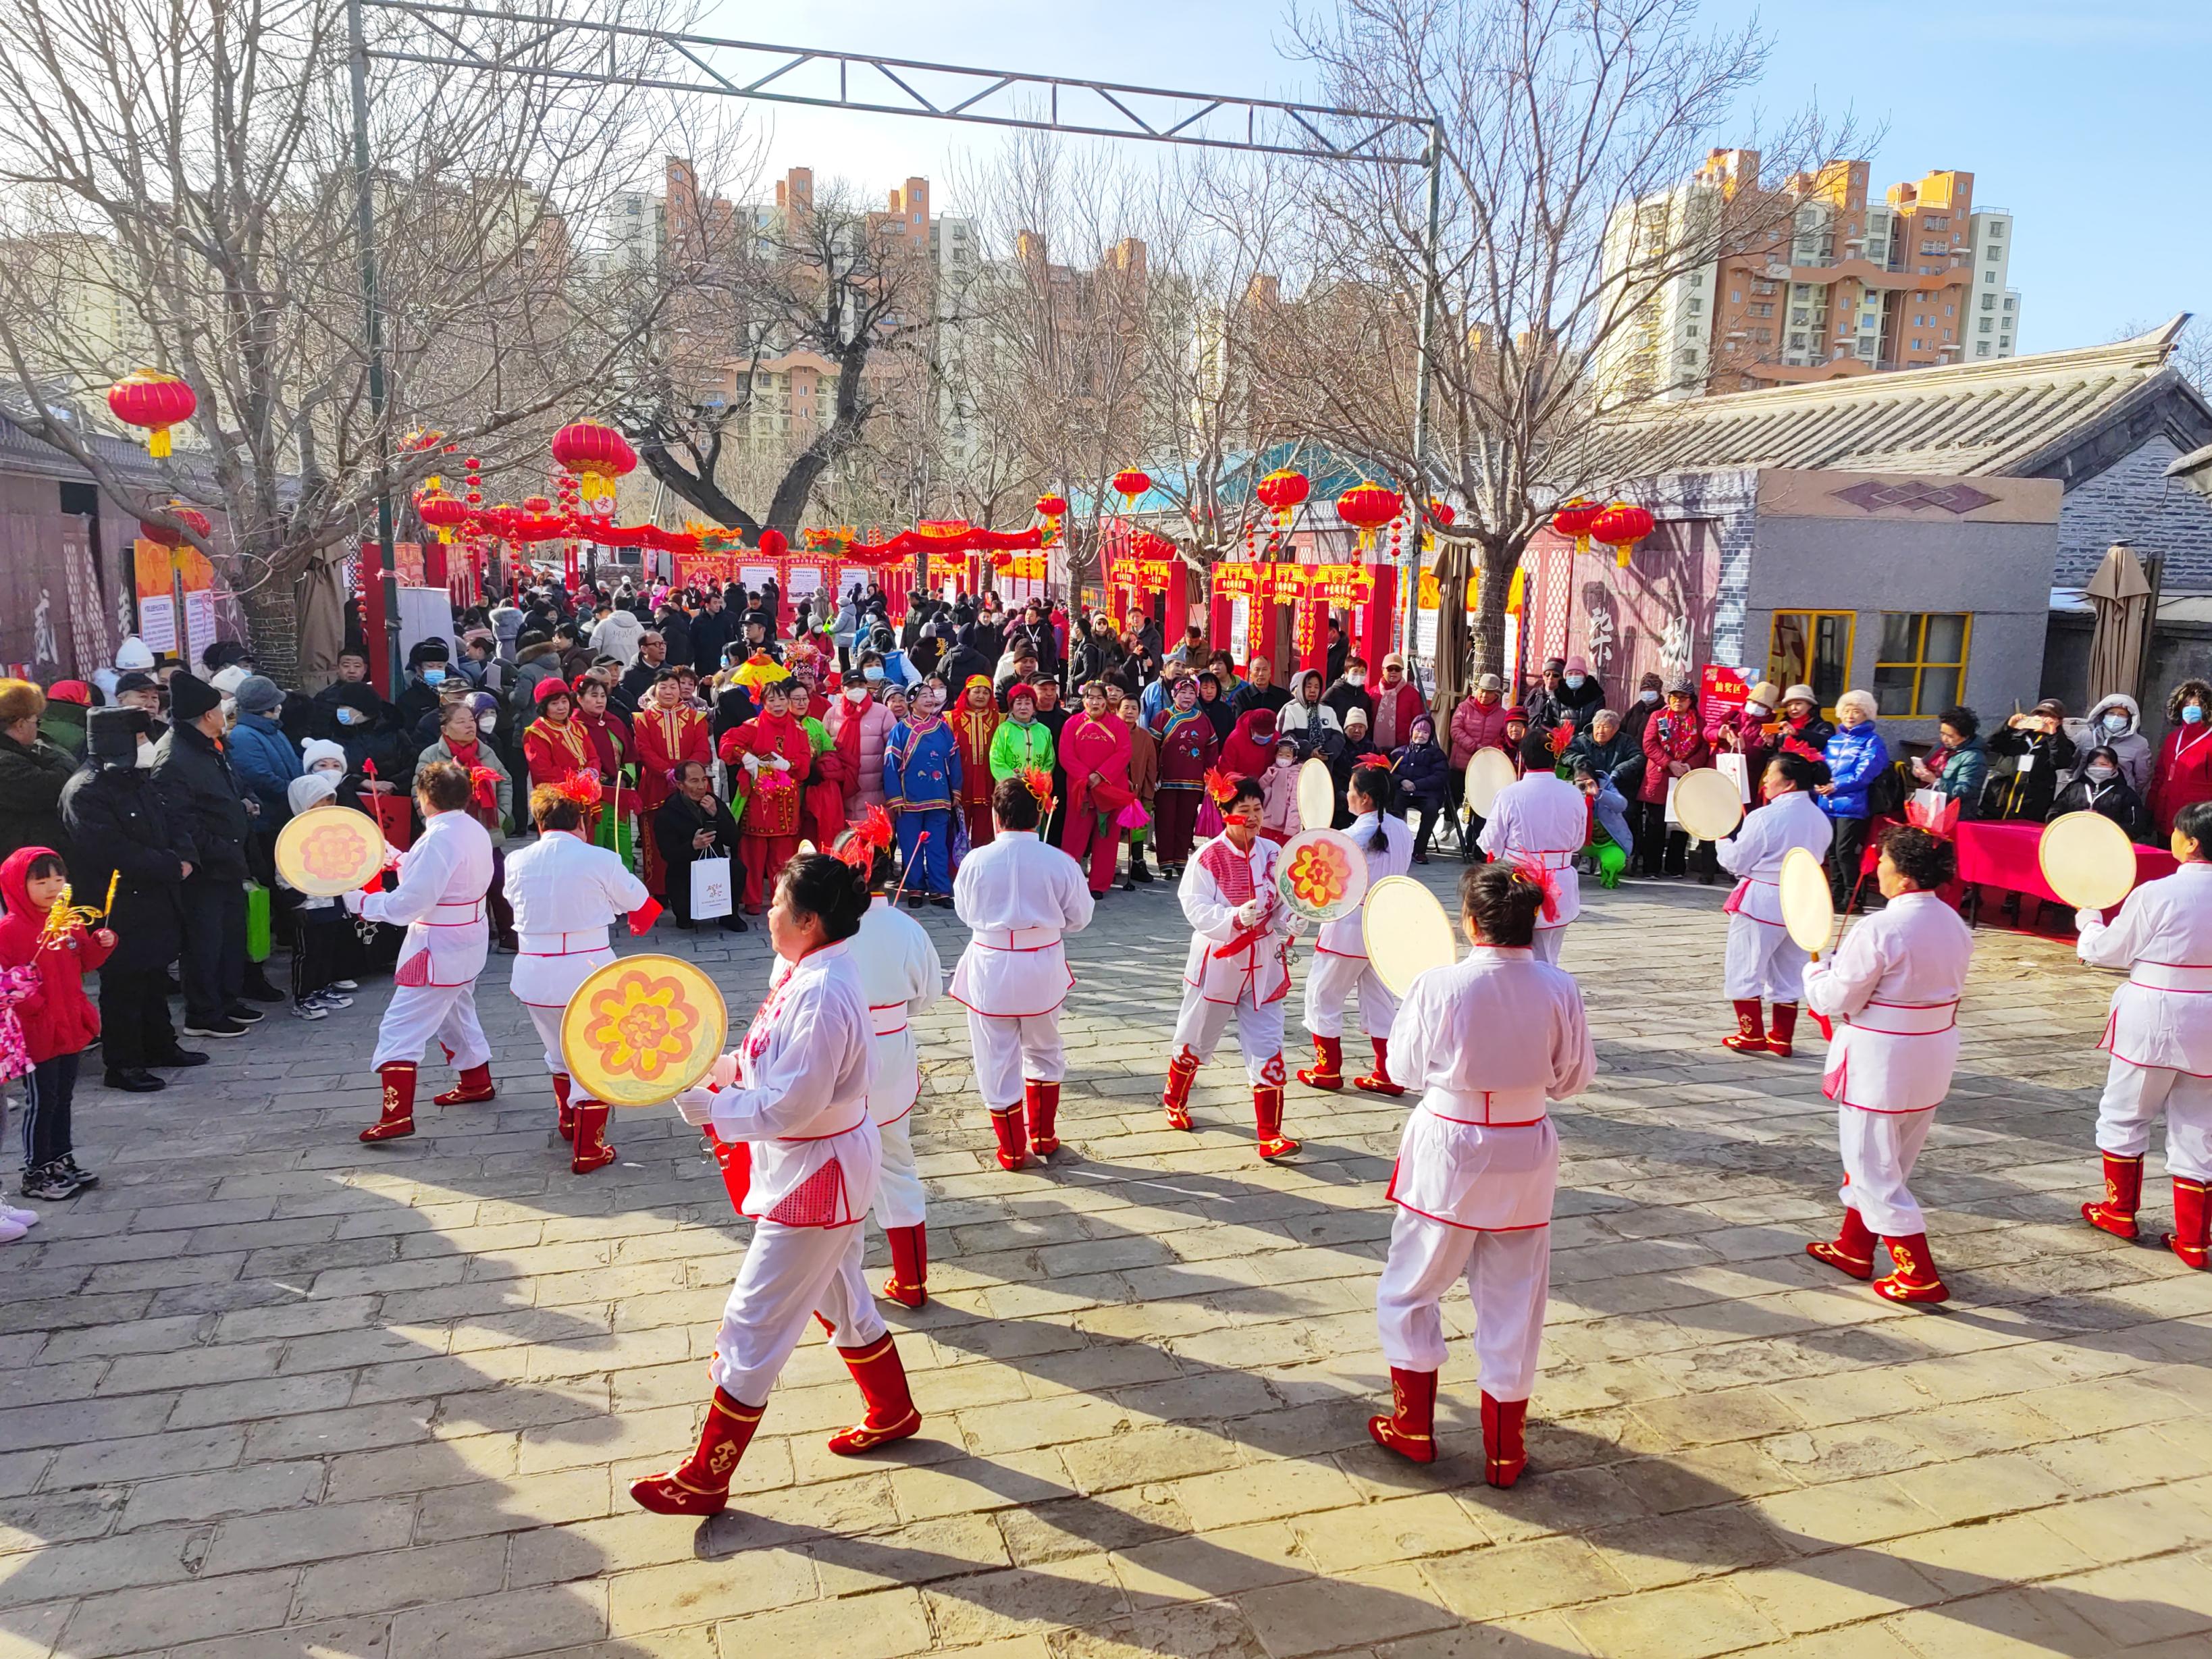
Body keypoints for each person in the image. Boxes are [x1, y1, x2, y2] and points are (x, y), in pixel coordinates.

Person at [635, 855, 924, 1512]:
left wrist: (717, 1108)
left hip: (816, 1174)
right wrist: (722, 1068)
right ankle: (892, 1409)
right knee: (841, 1296)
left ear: (809, 919)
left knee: (753, 1320)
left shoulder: (822, 990)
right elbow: (773, 1062)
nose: (767, 911)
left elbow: (794, 1101)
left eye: (776, 901)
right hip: (817, 1163)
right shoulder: (809, 973)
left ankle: (706, 1475)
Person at [1366, 863, 1596, 1483]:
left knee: (1413, 1281)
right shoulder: (1559, 986)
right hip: (1524, 1143)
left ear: (1469, 921)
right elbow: (1574, 1077)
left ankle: (1413, 1424)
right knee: (1516, 1295)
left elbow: (1404, 1068)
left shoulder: (1438, 984)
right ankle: (1504, 1448)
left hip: (1450, 1142)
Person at [1802, 826, 1975, 1304]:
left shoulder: (1880, 926)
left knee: (1872, 1165)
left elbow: (1838, 996)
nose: (1877, 868)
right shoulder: (1953, 921)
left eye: (1883, 862)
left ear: (1901, 876)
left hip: (1883, 1056)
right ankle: (1854, 1246)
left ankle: (1918, 1272)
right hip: (1932, 1049)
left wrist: (1816, 973)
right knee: (1890, 1158)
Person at [2074, 796, 2212, 1267]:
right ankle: (2194, 1238)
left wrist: (2089, 922)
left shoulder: (2159, 892)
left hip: (2154, 1010)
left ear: (2190, 842)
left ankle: (2119, 1210)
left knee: (2126, 1112)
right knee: (2199, 1124)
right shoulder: (2162, 891)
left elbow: (2108, 951)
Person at [504, 783, 656, 1173]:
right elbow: (639, 902)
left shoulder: (516, 860)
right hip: (586, 971)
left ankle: (569, 1122)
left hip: (534, 970)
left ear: (539, 822)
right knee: (592, 1055)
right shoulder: (600, 858)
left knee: (557, 1050)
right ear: (582, 823)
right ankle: (590, 1148)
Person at [948, 777, 1095, 1169]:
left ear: (997, 817)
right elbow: (1080, 918)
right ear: (1042, 812)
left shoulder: (975, 861)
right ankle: (1044, 1137)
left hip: (990, 966)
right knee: (1045, 1048)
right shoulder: (1060, 861)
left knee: (994, 1056)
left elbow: (964, 913)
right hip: (1041, 965)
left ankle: (1012, 1149)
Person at [350, 762, 500, 1142]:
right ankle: (475, 1080)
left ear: (424, 798)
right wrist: (398, 858)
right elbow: (439, 877)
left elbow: (411, 902)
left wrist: (364, 904)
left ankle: (396, 1113)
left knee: (401, 1026)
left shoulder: (440, 837)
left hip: (437, 943)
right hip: (467, 934)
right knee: (456, 1012)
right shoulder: (470, 828)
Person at [1162, 774, 1303, 1159]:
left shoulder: (1274, 853)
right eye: (1244, 810)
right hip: (1219, 963)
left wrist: (1292, 919)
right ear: (1224, 813)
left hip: (1263, 963)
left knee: (1268, 1044)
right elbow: (1195, 908)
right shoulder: (1206, 857)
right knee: (1197, 1037)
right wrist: (1234, 917)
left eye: (1258, 809)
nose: (1254, 817)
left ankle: (1270, 1134)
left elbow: (1285, 900)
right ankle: (1175, 1096)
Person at [59, 708, 199, 1088]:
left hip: (155, 896)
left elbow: (171, 823)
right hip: (116, 905)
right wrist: (170, 865)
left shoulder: (135, 780)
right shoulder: (86, 790)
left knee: (154, 974)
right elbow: (112, 850)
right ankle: (123, 1064)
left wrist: (184, 857)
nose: (146, 746)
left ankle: (160, 1045)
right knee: (124, 984)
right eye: (139, 739)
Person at [843, 825, 944, 1308]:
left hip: (836, 1058)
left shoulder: (823, 928)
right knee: (896, 1162)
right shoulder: (909, 929)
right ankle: (912, 1278)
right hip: (892, 1051)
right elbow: (928, 996)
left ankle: (837, 1283)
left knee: (830, 1165)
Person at [152, 672, 261, 1039]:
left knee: (231, 937)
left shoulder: (210, 746)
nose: (223, 715)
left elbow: (228, 790)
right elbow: (180, 822)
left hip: (228, 861)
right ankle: (203, 1012)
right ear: (207, 715)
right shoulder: (174, 758)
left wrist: (244, 804)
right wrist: (219, 850)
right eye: (219, 709)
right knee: (204, 943)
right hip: (205, 868)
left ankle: (226, 1000)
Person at [0, 847, 113, 1199]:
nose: (53, 887)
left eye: (59, 879)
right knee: (42, 1100)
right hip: (36, 1030)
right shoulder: (9, 930)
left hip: (68, 1023)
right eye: (42, 881)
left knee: (63, 1097)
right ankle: (36, 1171)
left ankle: (61, 1159)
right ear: (20, 885)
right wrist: (31, 1003)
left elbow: (85, 963)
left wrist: (101, 944)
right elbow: (5, 982)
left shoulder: (69, 921)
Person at [1299, 764, 1415, 1094]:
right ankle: (1387, 1072)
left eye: (1350, 789)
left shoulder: (1350, 838)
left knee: (1324, 994)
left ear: (1364, 797)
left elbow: (1321, 880)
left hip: (1349, 924)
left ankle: (1327, 1068)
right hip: (1386, 922)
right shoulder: (1402, 830)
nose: (1346, 794)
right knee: (1379, 998)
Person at [1714, 752, 1834, 1058]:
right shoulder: (1820, 817)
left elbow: (1736, 862)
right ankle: (1782, 1037)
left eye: (1771, 774)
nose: (1765, 779)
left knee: (1744, 964)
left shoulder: (1765, 817)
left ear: (1789, 782)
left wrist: (1720, 839)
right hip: (1803, 899)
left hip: (1764, 897)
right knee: (1790, 968)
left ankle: (1751, 1033)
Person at [1479, 729, 1586, 965]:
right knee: (1549, 954)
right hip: (1561, 879)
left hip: (1519, 881)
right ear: (1556, 757)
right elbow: (1578, 842)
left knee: (1513, 953)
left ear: (1522, 758)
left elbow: (1490, 842)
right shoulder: (1574, 794)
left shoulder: (1509, 794)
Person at [721, 679, 812, 915]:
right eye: (771, 699)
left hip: (785, 800)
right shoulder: (752, 726)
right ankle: (751, 900)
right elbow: (726, 743)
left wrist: (788, 764)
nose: (778, 704)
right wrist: (746, 757)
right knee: (753, 852)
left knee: (782, 857)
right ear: (762, 703)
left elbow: (804, 765)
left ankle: (780, 898)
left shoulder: (799, 731)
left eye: (782, 698)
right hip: (759, 799)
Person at [278, 773, 359, 1021]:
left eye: (329, 800)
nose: (326, 806)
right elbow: (284, 869)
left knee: (327, 947)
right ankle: (302, 998)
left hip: (331, 898)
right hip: (306, 902)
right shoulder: (292, 834)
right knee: (307, 952)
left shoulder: (333, 829)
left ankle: (321, 988)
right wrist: (294, 899)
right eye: (320, 801)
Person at [634, 672, 711, 897]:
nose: (669, 692)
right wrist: (667, 771)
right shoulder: (642, 719)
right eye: (664, 687)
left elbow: (702, 749)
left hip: (692, 785)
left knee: (691, 832)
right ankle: (658, 889)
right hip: (655, 784)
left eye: (673, 687)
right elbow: (643, 750)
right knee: (656, 836)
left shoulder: (696, 718)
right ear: (655, 690)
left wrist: (685, 774)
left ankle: (693, 887)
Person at [883, 681, 959, 908]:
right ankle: (915, 888)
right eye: (923, 696)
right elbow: (890, 765)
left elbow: (954, 760)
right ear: (912, 702)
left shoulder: (943, 728)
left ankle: (940, 890)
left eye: (930, 695)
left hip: (939, 796)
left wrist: (955, 789)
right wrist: (895, 798)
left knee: (937, 846)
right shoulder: (900, 730)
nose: (929, 699)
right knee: (910, 846)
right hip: (909, 800)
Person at [1058, 682, 1133, 900]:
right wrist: (1086, 777)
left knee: (1107, 837)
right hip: (1080, 790)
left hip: (1109, 789)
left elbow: (1124, 753)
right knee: (1073, 836)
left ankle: (1099, 884)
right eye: (1091, 698)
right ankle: (1068, 882)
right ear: (1084, 700)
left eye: (1100, 698)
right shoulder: (1072, 724)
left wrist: (1100, 775)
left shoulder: (1117, 726)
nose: (1096, 702)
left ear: (1106, 701)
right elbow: (1066, 755)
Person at [653, 760, 747, 932]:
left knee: (737, 868)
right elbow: (668, 854)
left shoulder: (713, 802)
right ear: (680, 785)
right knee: (685, 923)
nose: (701, 786)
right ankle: (686, 911)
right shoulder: (668, 812)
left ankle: (729, 915)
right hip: (686, 873)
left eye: (704, 780)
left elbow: (733, 839)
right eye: (694, 781)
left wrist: (717, 815)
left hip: (714, 867)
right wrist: (693, 846)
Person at [1818, 689, 1890, 910]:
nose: (1850, 715)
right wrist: (1818, 781)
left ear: (1867, 714)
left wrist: (1836, 785)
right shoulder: (1835, 740)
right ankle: (1835, 894)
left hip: (1852, 803)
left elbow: (1865, 773)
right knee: (1832, 851)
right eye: (1847, 710)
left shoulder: (1873, 742)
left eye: (1857, 711)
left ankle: (1854, 898)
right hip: (1828, 802)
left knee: (1845, 851)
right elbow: (1822, 765)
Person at [1634, 680, 1708, 880]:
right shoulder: (1658, 717)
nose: (1678, 701)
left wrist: (1688, 765)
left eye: (1683, 698)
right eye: (1674, 697)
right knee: (1654, 823)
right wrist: (1669, 763)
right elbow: (1649, 744)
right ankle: (1651, 867)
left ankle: (1675, 866)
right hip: (1660, 777)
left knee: (1681, 823)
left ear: (1691, 700)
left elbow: (1704, 748)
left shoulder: (1699, 722)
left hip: (1685, 777)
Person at [0, 681, 76, 865]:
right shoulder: (7, 764)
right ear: (20, 725)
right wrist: (50, 751)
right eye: (36, 721)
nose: (38, 729)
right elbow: (60, 785)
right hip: (19, 866)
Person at [1151, 676, 1219, 878]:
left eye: (1191, 693)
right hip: (1166, 781)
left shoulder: (1203, 719)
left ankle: (1181, 860)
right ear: (1174, 694)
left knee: (1185, 822)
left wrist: (1210, 776)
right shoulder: (1163, 717)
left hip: (1193, 781)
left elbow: (1212, 749)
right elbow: (1152, 750)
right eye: (1183, 692)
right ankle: (1165, 863)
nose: (1187, 697)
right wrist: (1154, 775)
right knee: (1165, 822)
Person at [1984, 698, 2075, 821]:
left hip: (2031, 804)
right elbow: (1989, 745)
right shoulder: (2015, 736)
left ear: (2059, 721)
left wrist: (2053, 734)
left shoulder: (2062, 743)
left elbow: (2061, 762)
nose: (2043, 719)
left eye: (2050, 716)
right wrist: (2008, 726)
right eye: (2040, 714)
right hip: (2000, 797)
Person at [2148, 680, 2212, 841]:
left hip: (2195, 820)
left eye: (2196, 705)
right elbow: (2159, 776)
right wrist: (2150, 809)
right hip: (2166, 815)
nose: (2191, 709)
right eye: (2186, 704)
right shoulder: (2173, 738)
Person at [2048, 745, 2151, 842]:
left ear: (2115, 767)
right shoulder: (2074, 788)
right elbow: (2053, 815)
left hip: (2108, 846)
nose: (2098, 767)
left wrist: (2103, 824)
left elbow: (2136, 826)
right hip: (2073, 842)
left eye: (2104, 764)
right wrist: (2076, 821)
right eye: (2093, 764)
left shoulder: (2125, 794)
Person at [947, 675, 1000, 858]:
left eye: (986, 692)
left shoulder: (999, 719)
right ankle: (955, 876)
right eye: (976, 691)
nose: (981, 695)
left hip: (988, 783)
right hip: (960, 783)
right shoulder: (951, 718)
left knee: (985, 833)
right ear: (967, 693)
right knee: (956, 834)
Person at [2064, 694, 2151, 797]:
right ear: (2102, 714)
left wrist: (2129, 793)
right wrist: (2073, 783)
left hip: (2118, 797)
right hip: (2083, 794)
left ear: (2129, 718)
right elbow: (2070, 764)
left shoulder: (2139, 743)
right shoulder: (2085, 736)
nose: (2115, 718)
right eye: (2111, 713)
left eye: (2121, 715)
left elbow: (2142, 777)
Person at [1910, 706, 1987, 818]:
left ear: (1965, 736)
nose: (1944, 739)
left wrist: (1935, 781)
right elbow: (1925, 763)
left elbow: (1965, 791)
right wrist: (1917, 771)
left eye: (1950, 736)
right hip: (1929, 806)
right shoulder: (1941, 747)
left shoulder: (1974, 758)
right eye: (1942, 733)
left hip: (1954, 815)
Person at [1392, 715, 1451, 863]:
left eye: (1426, 732)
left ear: (1430, 735)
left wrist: (1418, 785)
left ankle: (1419, 850)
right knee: (1394, 808)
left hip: (1426, 793)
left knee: (1431, 809)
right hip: (1403, 791)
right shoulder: (1399, 752)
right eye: (1418, 731)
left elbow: (1440, 777)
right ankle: (1397, 846)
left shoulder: (1437, 754)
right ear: (1412, 732)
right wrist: (1402, 781)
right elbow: (1389, 773)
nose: (1421, 735)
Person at [1117, 688, 1159, 887]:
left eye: (1134, 708)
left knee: (1137, 829)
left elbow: (1152, 766)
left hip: (1138, 790)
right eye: (1126, 708)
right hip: (1114, 791)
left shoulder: (1145, 736)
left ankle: (1138, 863)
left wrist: (1148, 792)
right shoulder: (1111, 732)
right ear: (1118, 710)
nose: (1130, 712)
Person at [1707, 681, 1779, 797]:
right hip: (1713, 771)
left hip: (1741, 780)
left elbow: (1760, 756)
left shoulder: (1768, 728)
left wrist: (1744, 747)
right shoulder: (1733, 715)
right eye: (1754, 702)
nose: (1756, 706)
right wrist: (1719, 735)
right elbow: (1707, 732)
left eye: (1762, 705)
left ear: (1769, 709)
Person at [522, 680, 594, 789]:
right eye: (554, 704)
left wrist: (592, 773)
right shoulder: (537, 734)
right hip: (555, 796)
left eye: (564, 701)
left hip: (585, 789)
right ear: (544, 707)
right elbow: (543, 772)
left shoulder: (578, 726)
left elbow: (593, 756)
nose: (561, 707)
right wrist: (576, 780)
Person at [1260, 736, 1302, 841]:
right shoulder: (1271, 771)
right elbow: (1260, 790)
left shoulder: (1296, 776)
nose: (1283, 758)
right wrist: (1268, 777)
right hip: (1266, 821)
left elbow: (1295, 802)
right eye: (1280, 755)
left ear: (1294, 759)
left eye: (1287, 756)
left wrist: (1291, 828)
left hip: (1284, 825)